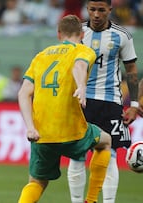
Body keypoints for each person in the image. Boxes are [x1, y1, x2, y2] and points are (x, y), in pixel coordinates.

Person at [17, 15, 111, 203]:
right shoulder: (84, 50)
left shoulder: (41, 56)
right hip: (72, 131)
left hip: (41, 133)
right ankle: (91, 200)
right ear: (82, 34)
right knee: (106, 141)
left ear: (59, 34)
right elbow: (79, 66)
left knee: (37, 182)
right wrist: (81, 87)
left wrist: (30, 127)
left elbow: (23, 93)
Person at [67, 1, 140, 203]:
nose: (96, 14)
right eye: (92, 9)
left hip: (110, 102)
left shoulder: (122, 35)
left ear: (110, 10)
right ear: (87, 9)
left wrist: (133, 105)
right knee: (77, 153)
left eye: (101, 10)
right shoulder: (77, 32)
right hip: (80, 100)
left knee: (111, 153)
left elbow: (131, 71)